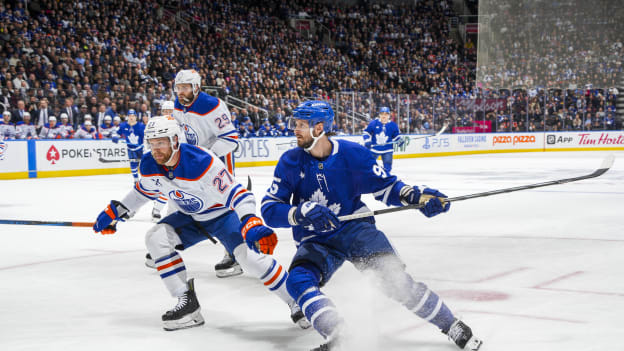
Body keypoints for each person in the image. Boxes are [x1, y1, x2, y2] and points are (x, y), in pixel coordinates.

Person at [259, 101, 482, 351]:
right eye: (295, 124)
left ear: (319, 128)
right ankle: (340, 335)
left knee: (394, 281)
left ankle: (451, 325)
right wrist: (300, 212)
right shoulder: (290, 162)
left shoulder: (354, 155)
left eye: (301, 125)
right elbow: (270, 208)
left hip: (355, 230)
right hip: (316, 238)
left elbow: (387, 186)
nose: (295, 130)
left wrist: (416, 197)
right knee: (298, 281)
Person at [92, 116, 310, 331]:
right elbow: (143, 192)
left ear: (175, 140)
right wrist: (117, 210)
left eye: (161, 142)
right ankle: (187, 304)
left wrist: (250, 220)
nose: (155, 149)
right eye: (152, 143)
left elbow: (239, 195)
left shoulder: (201, 162)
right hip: (191, 217)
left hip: (223, 215)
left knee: (250, 259)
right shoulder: (149, 163)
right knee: (155, 238)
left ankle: (298, 301)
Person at [172, 69, 242, 278]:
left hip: (219, 163)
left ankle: (235, 254)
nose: (181, 92)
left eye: (185, 87)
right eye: (178, 88)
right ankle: (168, 244)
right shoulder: (177, 105)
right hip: (195, 162)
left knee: (225, 207)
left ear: (196, 87)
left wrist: (206, 157)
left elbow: (231, 139)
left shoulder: (212, 105)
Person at [362, 106, 402, 172]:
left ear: (389, 115)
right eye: (382, 114)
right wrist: (367, 140)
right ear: (379, 115)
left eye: (386, 114)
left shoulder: (393, 125)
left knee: (387, 167)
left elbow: (396, 136)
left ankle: (385, 179)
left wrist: (399, 141)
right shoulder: (374, 123)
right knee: (368, 164)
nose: (384, 116)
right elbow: (366, 132)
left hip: (387, 149)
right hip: (375, 149)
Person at [113, 110, 145, 184]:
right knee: (133, 164)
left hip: (141, 148)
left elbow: (146, 136)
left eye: (133, 116)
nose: (131, 118)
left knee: (143, 165)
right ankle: (136, 180)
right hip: (131, 149)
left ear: (136, 117)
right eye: (130, 116)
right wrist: (115, 137)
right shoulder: (123, 125)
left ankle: (145, 179)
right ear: (127, 117)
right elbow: (116, 133)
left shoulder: (141, 126)